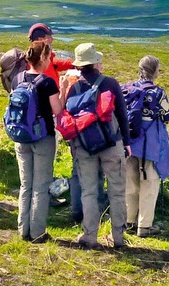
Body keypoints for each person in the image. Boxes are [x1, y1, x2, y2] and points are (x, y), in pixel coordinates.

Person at [61, 43, 130, 250]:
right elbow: (122, 115)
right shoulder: (110, 83)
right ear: (96, 62)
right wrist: (126, 142)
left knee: (89, 192)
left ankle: (89, 236)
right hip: (112, 143)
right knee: (117, 191)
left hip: (84, 146)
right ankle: (118, 238)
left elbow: (69, 115)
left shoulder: (75, 87)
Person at [13, 41, 63, 243]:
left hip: (21, 135)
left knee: (26, 184)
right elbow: (57, 110)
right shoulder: (48, 82)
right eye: (49, 56)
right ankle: (38, 233)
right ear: (43, 58)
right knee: (40, 186)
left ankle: (23, 229)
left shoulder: (18, 78)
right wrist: (65, 89)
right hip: (43, 137)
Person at [124, 55, 169, 237]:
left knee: (130, 181)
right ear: (155, 71)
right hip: (151, 145)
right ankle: (144, 226)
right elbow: (167, 116)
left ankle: (128, 220)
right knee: (149, 183)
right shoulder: (158, 93)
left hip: (129, 143)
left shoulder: (127, 89)